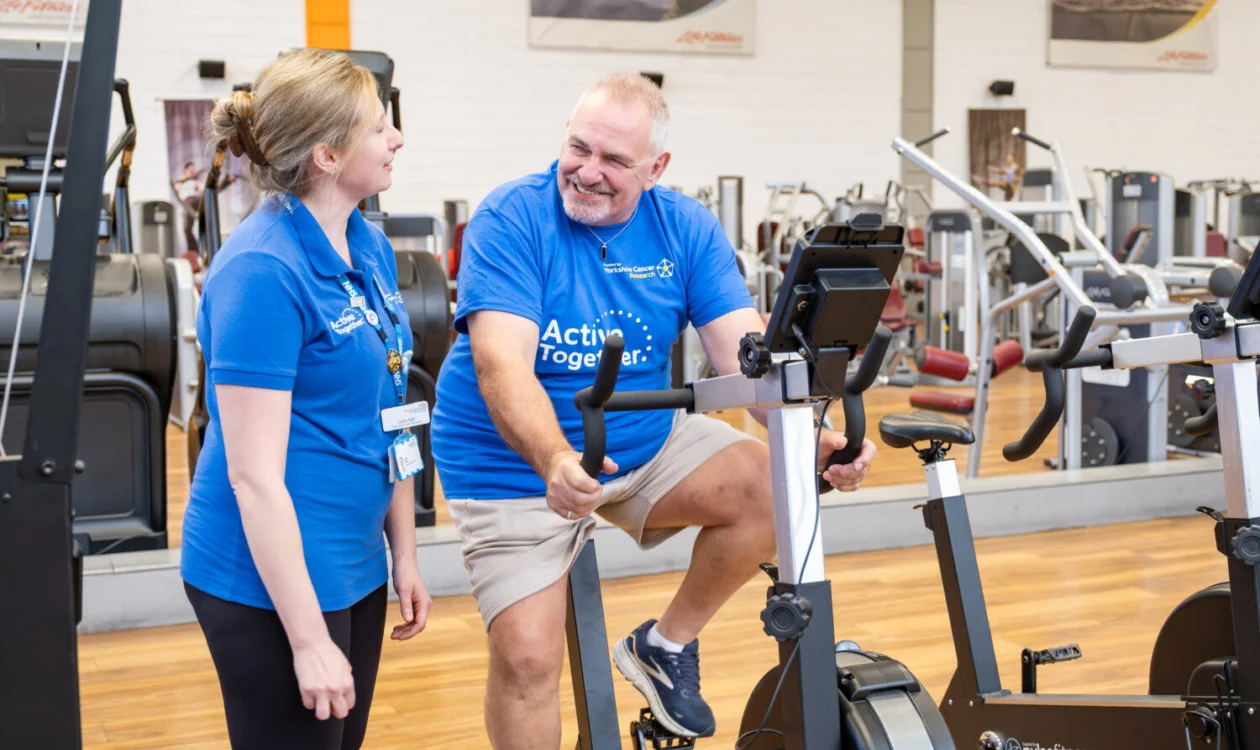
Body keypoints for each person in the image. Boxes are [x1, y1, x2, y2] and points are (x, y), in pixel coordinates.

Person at [431, 71, 877, 747]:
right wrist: (553, 458)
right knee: (527, 659)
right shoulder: (512, 217)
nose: (586, 172)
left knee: (778, 489)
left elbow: (740, 362)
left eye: (614, 161)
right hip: (514, 463)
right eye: (578, 149)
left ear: (657, 167)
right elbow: (501, 366)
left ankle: (663, 648)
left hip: (643, 441)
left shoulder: (685, 227)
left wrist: (811, 437)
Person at [180, 49, 432, 750]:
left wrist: (403, 552)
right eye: (380, 128)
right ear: (326, 154)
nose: (397, 139)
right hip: (266, 585)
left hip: (354, 566)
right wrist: (307, 639)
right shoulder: (262, 270)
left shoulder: (369, 246)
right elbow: (253, 480)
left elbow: (392, 405)